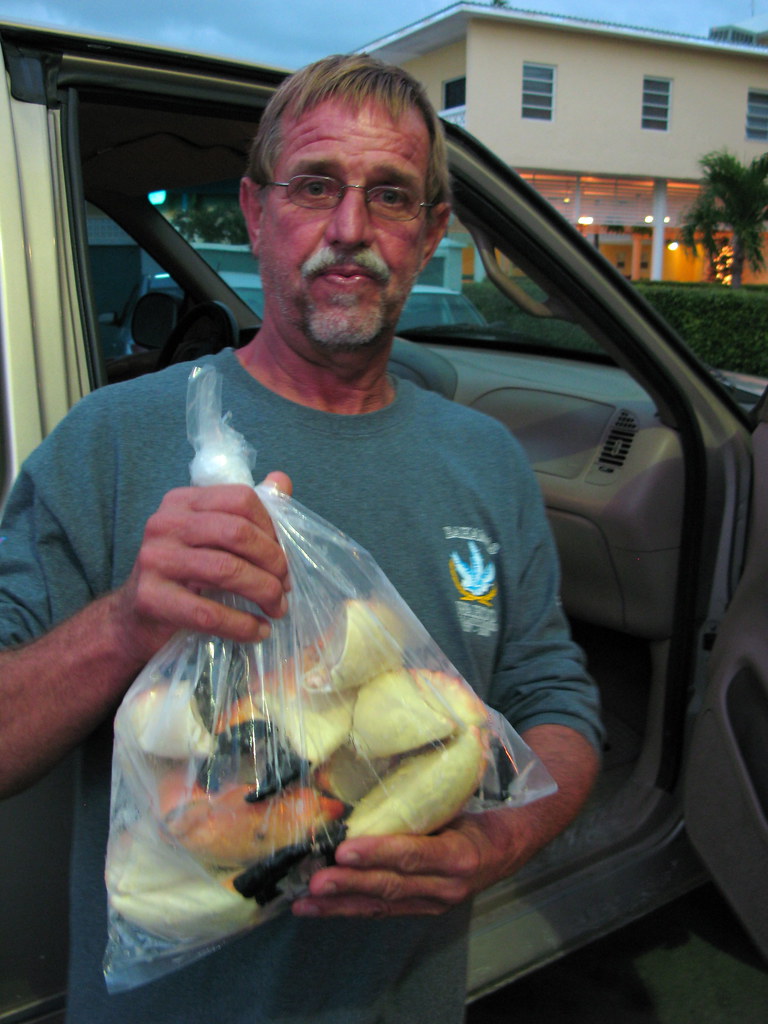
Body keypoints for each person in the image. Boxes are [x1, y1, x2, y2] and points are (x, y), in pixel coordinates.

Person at [0, 54, 602, 1023]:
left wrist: (502, 842)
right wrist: (124, 624)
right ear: (255, 211)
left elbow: (554, 700)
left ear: (433, 230)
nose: (350, 230)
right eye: (315, 186)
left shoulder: (487, 462)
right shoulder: (110, 443)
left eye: (392, 195)